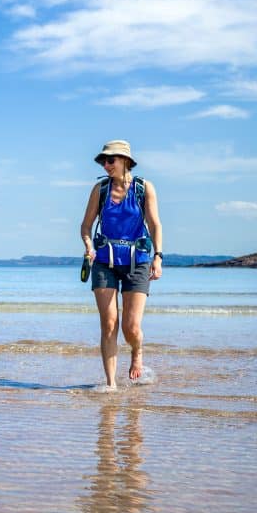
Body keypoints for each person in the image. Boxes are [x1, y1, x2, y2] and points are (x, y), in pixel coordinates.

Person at [80, 140, 163, 387]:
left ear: (125, 160)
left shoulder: (144, 188)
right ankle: (111, 385)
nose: (106, 165)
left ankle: (137, 352)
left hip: (137, 262)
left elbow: (155, 224)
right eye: (103, 161)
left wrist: (158, 256)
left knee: (131, 327)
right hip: (104, 261)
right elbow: (85, 225)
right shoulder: (100, 189)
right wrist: (89, 246)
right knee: (109, 323)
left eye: (110, 160)